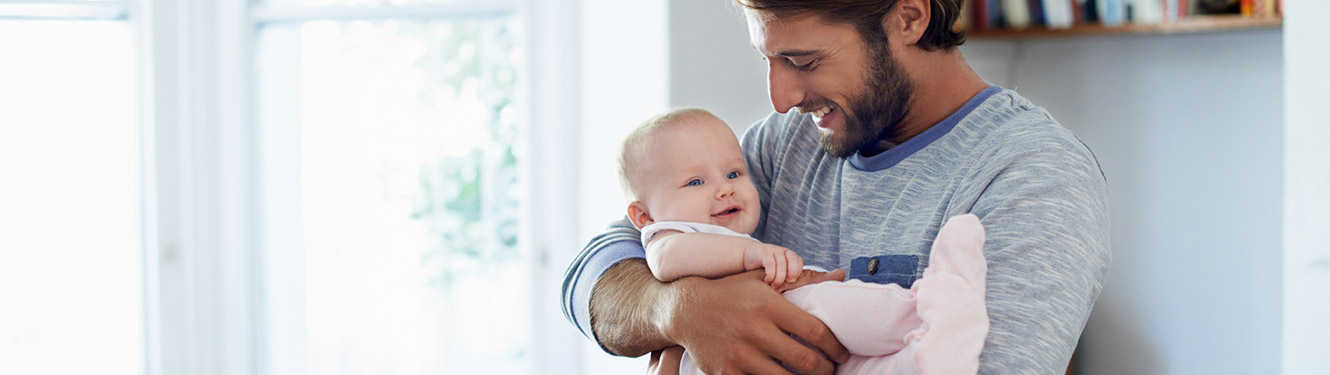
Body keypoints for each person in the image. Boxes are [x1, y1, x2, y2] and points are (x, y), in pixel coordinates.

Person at [560, 0, 1112, 373]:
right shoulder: (783, 146)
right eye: (769, 60)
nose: (780, 98)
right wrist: (678, 311)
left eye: (802, 60)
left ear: (911, 17)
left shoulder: (1032, 174)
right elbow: (594, 272)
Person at [615, 107, 992, 375]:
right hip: (777, 324)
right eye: (696, 182)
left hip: (792, 339)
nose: (724, 190)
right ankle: (926, 312)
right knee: (841, 304)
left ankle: (925, 359)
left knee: (856, 359)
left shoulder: (1014, 162)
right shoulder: (666, 237)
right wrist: (750, 252)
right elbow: (664, 260)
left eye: (734, 173)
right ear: (644, 217)